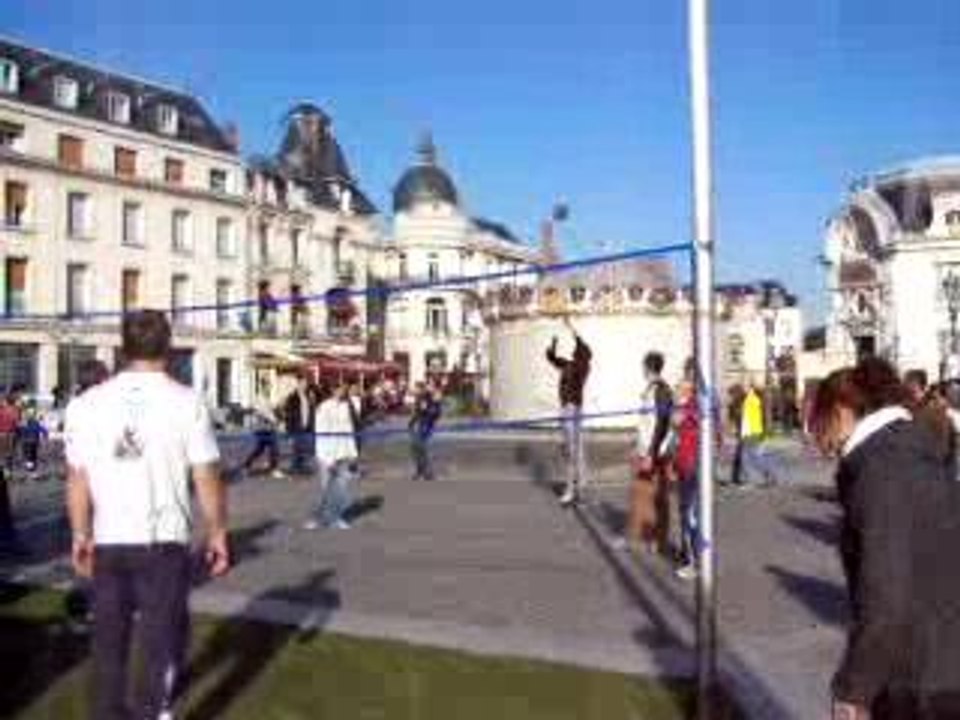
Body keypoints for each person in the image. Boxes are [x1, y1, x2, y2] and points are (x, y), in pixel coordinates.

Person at [64, 310, 230, 720]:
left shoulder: (88, 404)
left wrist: (80, 534)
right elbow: (206, 475)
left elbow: (77, 480)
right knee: (156, 646)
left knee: (109, 647)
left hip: (111, 539)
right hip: (159, 542)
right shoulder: (186, 402)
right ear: (168, 346)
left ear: (123, 347)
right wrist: (218, 533)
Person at [811, 358, 960, 719]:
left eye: (817, 420)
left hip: (919, 681)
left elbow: (886, 598)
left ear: (843, 410)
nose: (813, 433)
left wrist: (855, 689)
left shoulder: (880, 470)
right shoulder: (911, 451)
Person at [627, 351, 674, 554]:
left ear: (648, 367)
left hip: (655, 452)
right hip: (645, 449)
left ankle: (658, 540)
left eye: (643, 366)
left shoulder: (661, 390)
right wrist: (638, 446)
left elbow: (662, 424)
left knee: (658, 496)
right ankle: (643, 537)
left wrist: (651, 454)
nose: (642, 370)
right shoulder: (652, 388)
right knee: (642, 494)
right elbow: (647, 422)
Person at [545, 317, 593, 506]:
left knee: (572, 451)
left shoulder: (582, 367)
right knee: (574, 450)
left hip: (572, 410)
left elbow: (582, 346)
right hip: (567, 410)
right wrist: (554, 342)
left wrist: (571, 327)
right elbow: (552, 358)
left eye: (578, 350)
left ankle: (572, 490)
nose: (575, 350)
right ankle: (579, 487)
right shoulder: (569, 364)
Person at [305, 383, 358, 530]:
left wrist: (353, 453)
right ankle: (317, 518)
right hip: (327, 455)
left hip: (343, 453)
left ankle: (336, 517)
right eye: (340, 388)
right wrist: (327, 459)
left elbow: (349, 430)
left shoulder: (346, 406)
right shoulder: (324, 407)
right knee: (326, 489)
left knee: (341, 489)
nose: (343, 391)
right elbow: (320, 433)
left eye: (344, 388)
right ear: (333, 389)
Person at [731, 384, 769, 486]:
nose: (732, 396)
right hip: (747, 433)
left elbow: (754, 419)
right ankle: (735, 478)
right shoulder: (740, 402)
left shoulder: (751, 401)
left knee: (747, 457)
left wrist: (762, 433)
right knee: (743, 456)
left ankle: (750, 480)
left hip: (751, 433)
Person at [241, 394, 284, 479]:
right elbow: (263, 412)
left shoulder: (267, 399)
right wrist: (274, 420)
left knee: (260, 450)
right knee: (273, 448)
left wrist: (275, 410)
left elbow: (270, 409)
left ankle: (246, 466)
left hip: (268, 428)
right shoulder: (259, 398)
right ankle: (274, 469)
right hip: (263, 429)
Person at [282, 374, 316, 476]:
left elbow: (311, 411)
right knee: (296, 448)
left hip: (307, 426)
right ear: (298, 384)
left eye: (305, 383)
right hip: (296, 427)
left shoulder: (308, 396)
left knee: (304, 448)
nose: (304, 385)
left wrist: (311, 424)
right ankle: (295, 468)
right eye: (302, 383)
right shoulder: (292, 397)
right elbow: (288, 414)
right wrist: (289, 429)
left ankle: (301, 467)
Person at [409, 381, 442, 481]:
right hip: (420, 424)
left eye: (416, 388)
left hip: (425, 425)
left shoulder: (426, 398)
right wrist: (411, 422)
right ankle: (420, 470)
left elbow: (434, 411)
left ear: (421, 389)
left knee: (421, 447)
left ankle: (426, 472)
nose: (414, 390)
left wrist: (428, 416)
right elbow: (417, 412)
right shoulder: (420, 398)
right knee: (415, 448)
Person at [17, 402, 47, 473]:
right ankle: (32, 465)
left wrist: (19, 436)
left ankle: (29, 465)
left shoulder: (24, 423)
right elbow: (42, 429)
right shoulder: (35, 422)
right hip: (33, 441)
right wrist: (45, 435)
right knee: (33, 453)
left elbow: (19, 430)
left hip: (27, 441)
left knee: (28, 453)